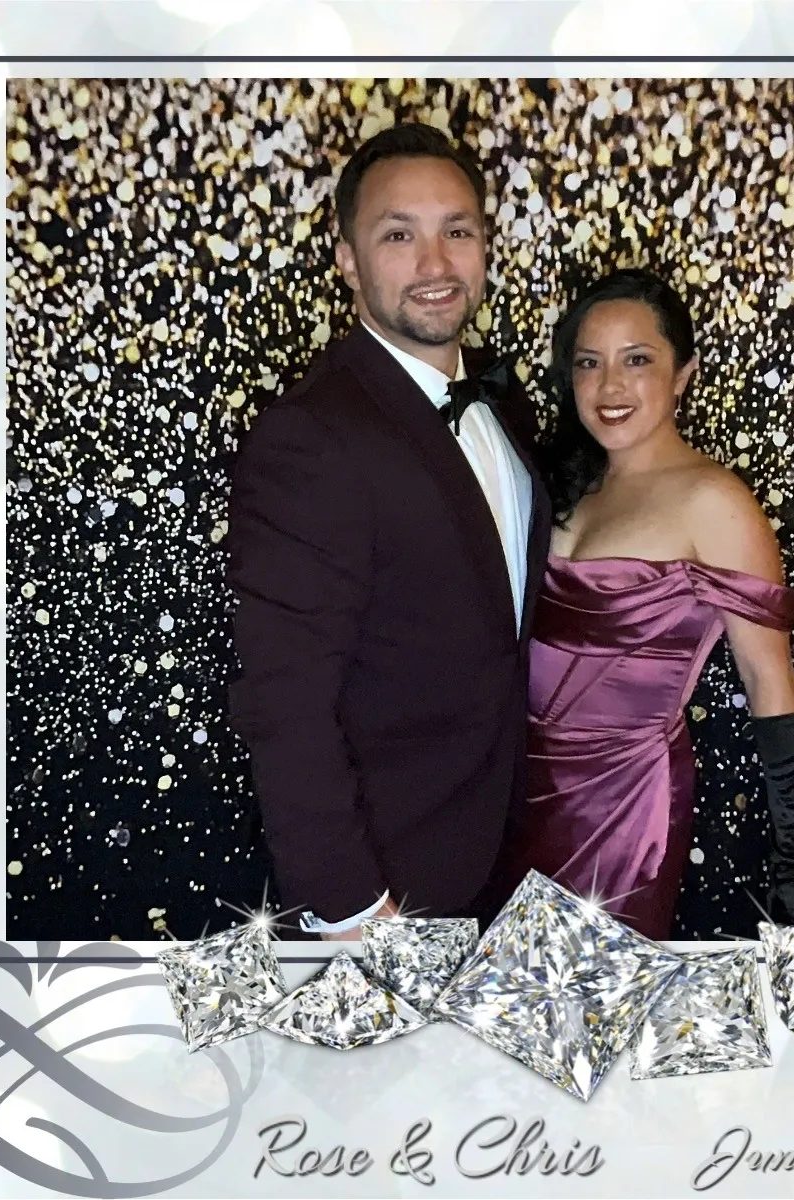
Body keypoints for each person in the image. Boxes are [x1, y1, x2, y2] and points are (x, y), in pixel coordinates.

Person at [227, 124, 552, 939]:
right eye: (399, 235)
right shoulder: (312, 435)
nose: (436, 264)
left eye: (458, 231)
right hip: (386, 890)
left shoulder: (503, 405)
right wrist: (354, 914)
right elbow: (284, 701)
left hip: (508, 861)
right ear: (347, 259)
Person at [498, 268, 794, 941]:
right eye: (589, 363)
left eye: (637, 361)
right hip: (516, 792)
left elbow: (769, 681)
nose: (610, 387)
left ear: (683, 374)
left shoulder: (714, 501)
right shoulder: (568, 483)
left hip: (622, 803)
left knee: (596, 1014)